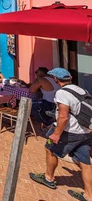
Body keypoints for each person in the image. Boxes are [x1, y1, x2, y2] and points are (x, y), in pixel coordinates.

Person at [29, 68, 92, 201]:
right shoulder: (81, 90)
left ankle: (49, 178)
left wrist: (57, 134)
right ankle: (88, 195)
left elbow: (63, 117)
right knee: (85, 162)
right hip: (85, 131)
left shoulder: (62, 93)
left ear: (56, 79)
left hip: (70, 131)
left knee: (50, 149)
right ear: (70, 78)